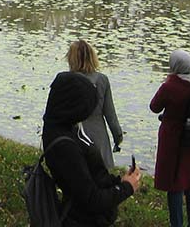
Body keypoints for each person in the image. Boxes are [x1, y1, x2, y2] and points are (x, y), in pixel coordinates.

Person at [42, 71, 141, 226]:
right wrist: (126, 188)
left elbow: (88, 177)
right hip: (83, 220)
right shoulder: (65, 147)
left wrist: (118, 181)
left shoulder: (63, 126)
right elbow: (91, 200)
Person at [151, 49, 190, 227]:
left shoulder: (169, 87)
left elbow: (154, 107)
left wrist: (168, 81)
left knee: (174, 185)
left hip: (174, 143)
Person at [67, 39, 124, 168]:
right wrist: (118, 137)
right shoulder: (102, 80)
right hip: (99, 139)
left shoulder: (67, 80)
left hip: (73, 137)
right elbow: (110, 115)